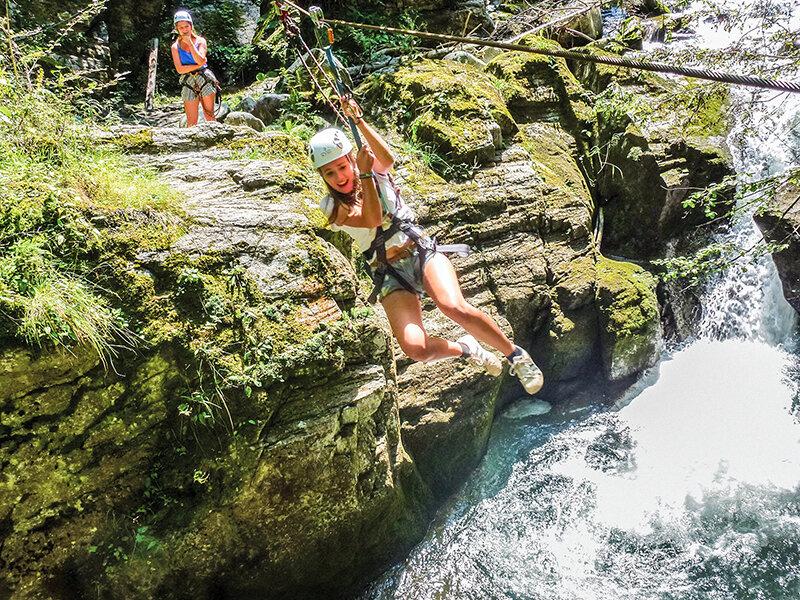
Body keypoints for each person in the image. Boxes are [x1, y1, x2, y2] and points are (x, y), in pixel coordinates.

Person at [309, 99, 544, 394]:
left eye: (342, 166)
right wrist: (366, 174)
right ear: (322, 177)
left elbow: (388, 158)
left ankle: (515, 355)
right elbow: (370, 217)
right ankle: (467, 349)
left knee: (452, 306)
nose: (339, 177)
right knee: (415, 348)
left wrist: (359, 122)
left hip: (420, 250)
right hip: (389, 272)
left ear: (352, 159)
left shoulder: (376, 171)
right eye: (329, 173)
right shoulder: (331, 205)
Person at [170, 10, 217, 127]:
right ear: (177, 29)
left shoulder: (200, 41)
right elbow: (180, 70)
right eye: (181, 27)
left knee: (209, 115)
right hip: (188, 80)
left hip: (204, 78)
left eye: (186, 26)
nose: (184, 29)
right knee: (191, 120)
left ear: (191, 26)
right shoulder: (175, 47)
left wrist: (190, 43)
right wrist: (198, 65)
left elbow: (200, 58)